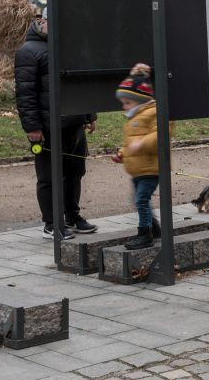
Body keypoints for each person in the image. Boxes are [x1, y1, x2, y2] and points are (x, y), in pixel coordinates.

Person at [15, 16, 98, 240]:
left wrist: (89, 114)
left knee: (75, 172)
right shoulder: (28, 51)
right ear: (42, 22)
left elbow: (80, 82)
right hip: (48, 127)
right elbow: (25, 94)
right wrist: (32, 128)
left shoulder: (68, 46)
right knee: (49, 176)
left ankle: (72, 216)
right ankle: (52, 223)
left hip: (74, 124)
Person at [110, 65, 161, 250]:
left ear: (140, 100)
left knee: (141, 200)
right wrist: (122, 154)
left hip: (150, 168)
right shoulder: (135, 117)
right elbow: (130, 142)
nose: (124, 107)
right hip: (138, 170)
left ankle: (145, 234)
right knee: (139, 200)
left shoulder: (154, 112)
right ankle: (153, 228)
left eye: (127, 103)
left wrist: (142, 144)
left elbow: (161, 135)